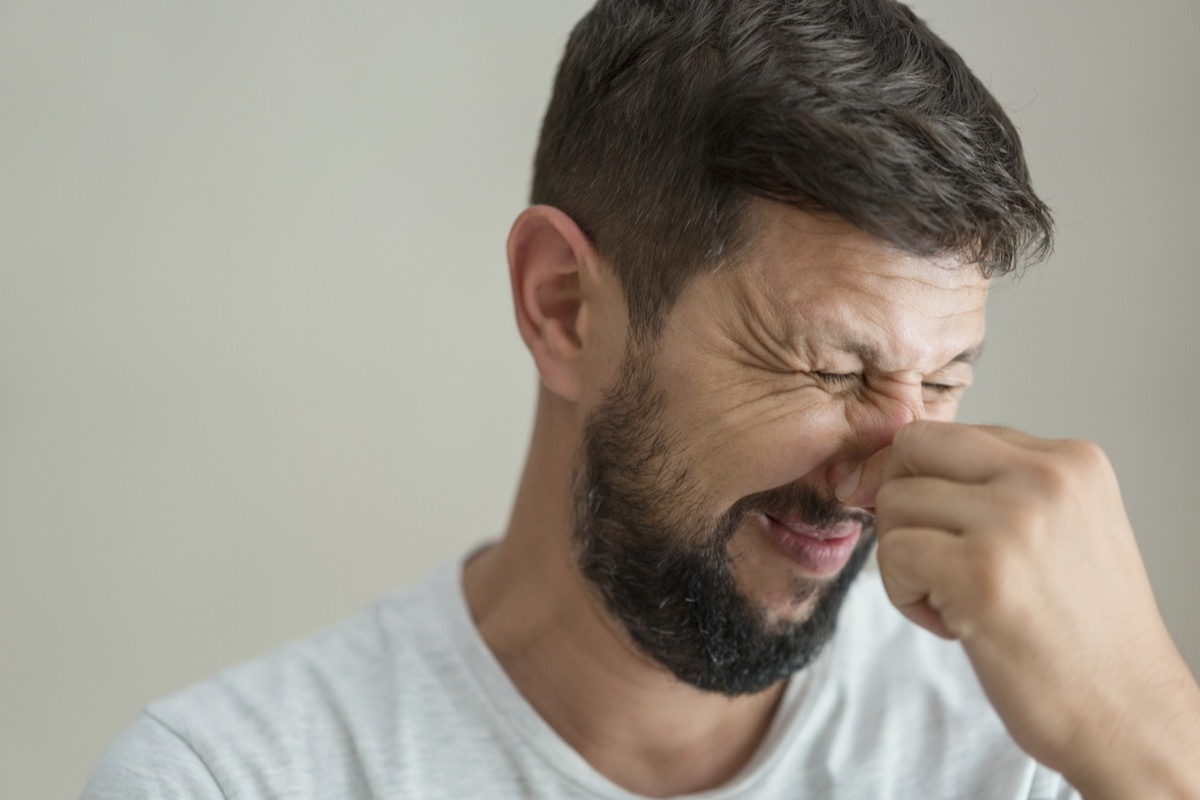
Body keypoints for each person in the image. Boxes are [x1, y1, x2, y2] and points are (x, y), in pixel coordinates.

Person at [83, 1, 1200, 798]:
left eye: (946, 376)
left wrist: (1157, 746)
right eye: (827, 365)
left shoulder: (1034, 757)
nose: (883, 473)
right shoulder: (224, 778)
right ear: (564, 304)